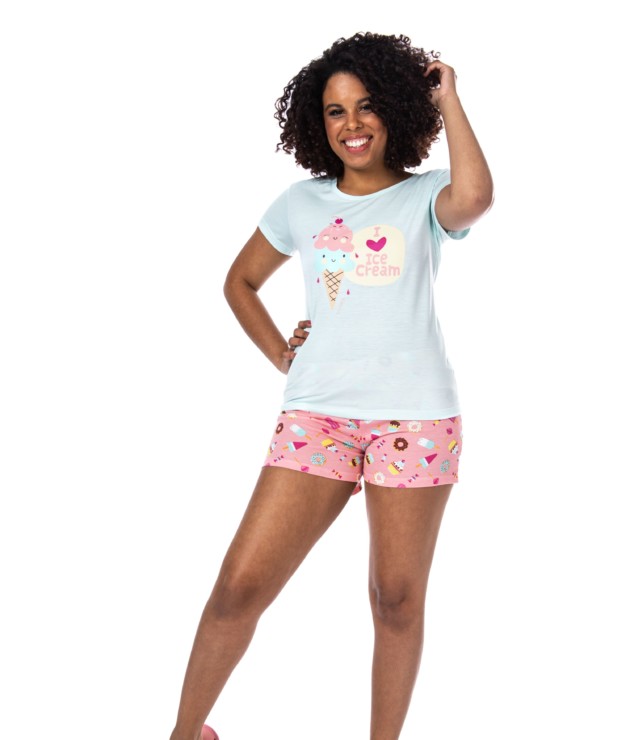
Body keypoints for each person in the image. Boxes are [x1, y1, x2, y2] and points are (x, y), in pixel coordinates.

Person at [169, 32, 493, 740]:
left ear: (396, 110)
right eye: (335, 111)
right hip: (318, 417)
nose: (352, 124)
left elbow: (475, 198)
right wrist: (282, 355)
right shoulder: (302, 203)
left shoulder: (424, 196)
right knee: (238, 587)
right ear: (317, 124)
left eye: (367, 105)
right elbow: (240, 282)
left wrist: (449, 97)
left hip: (415, 418)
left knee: (395, 600)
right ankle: (184, 735)